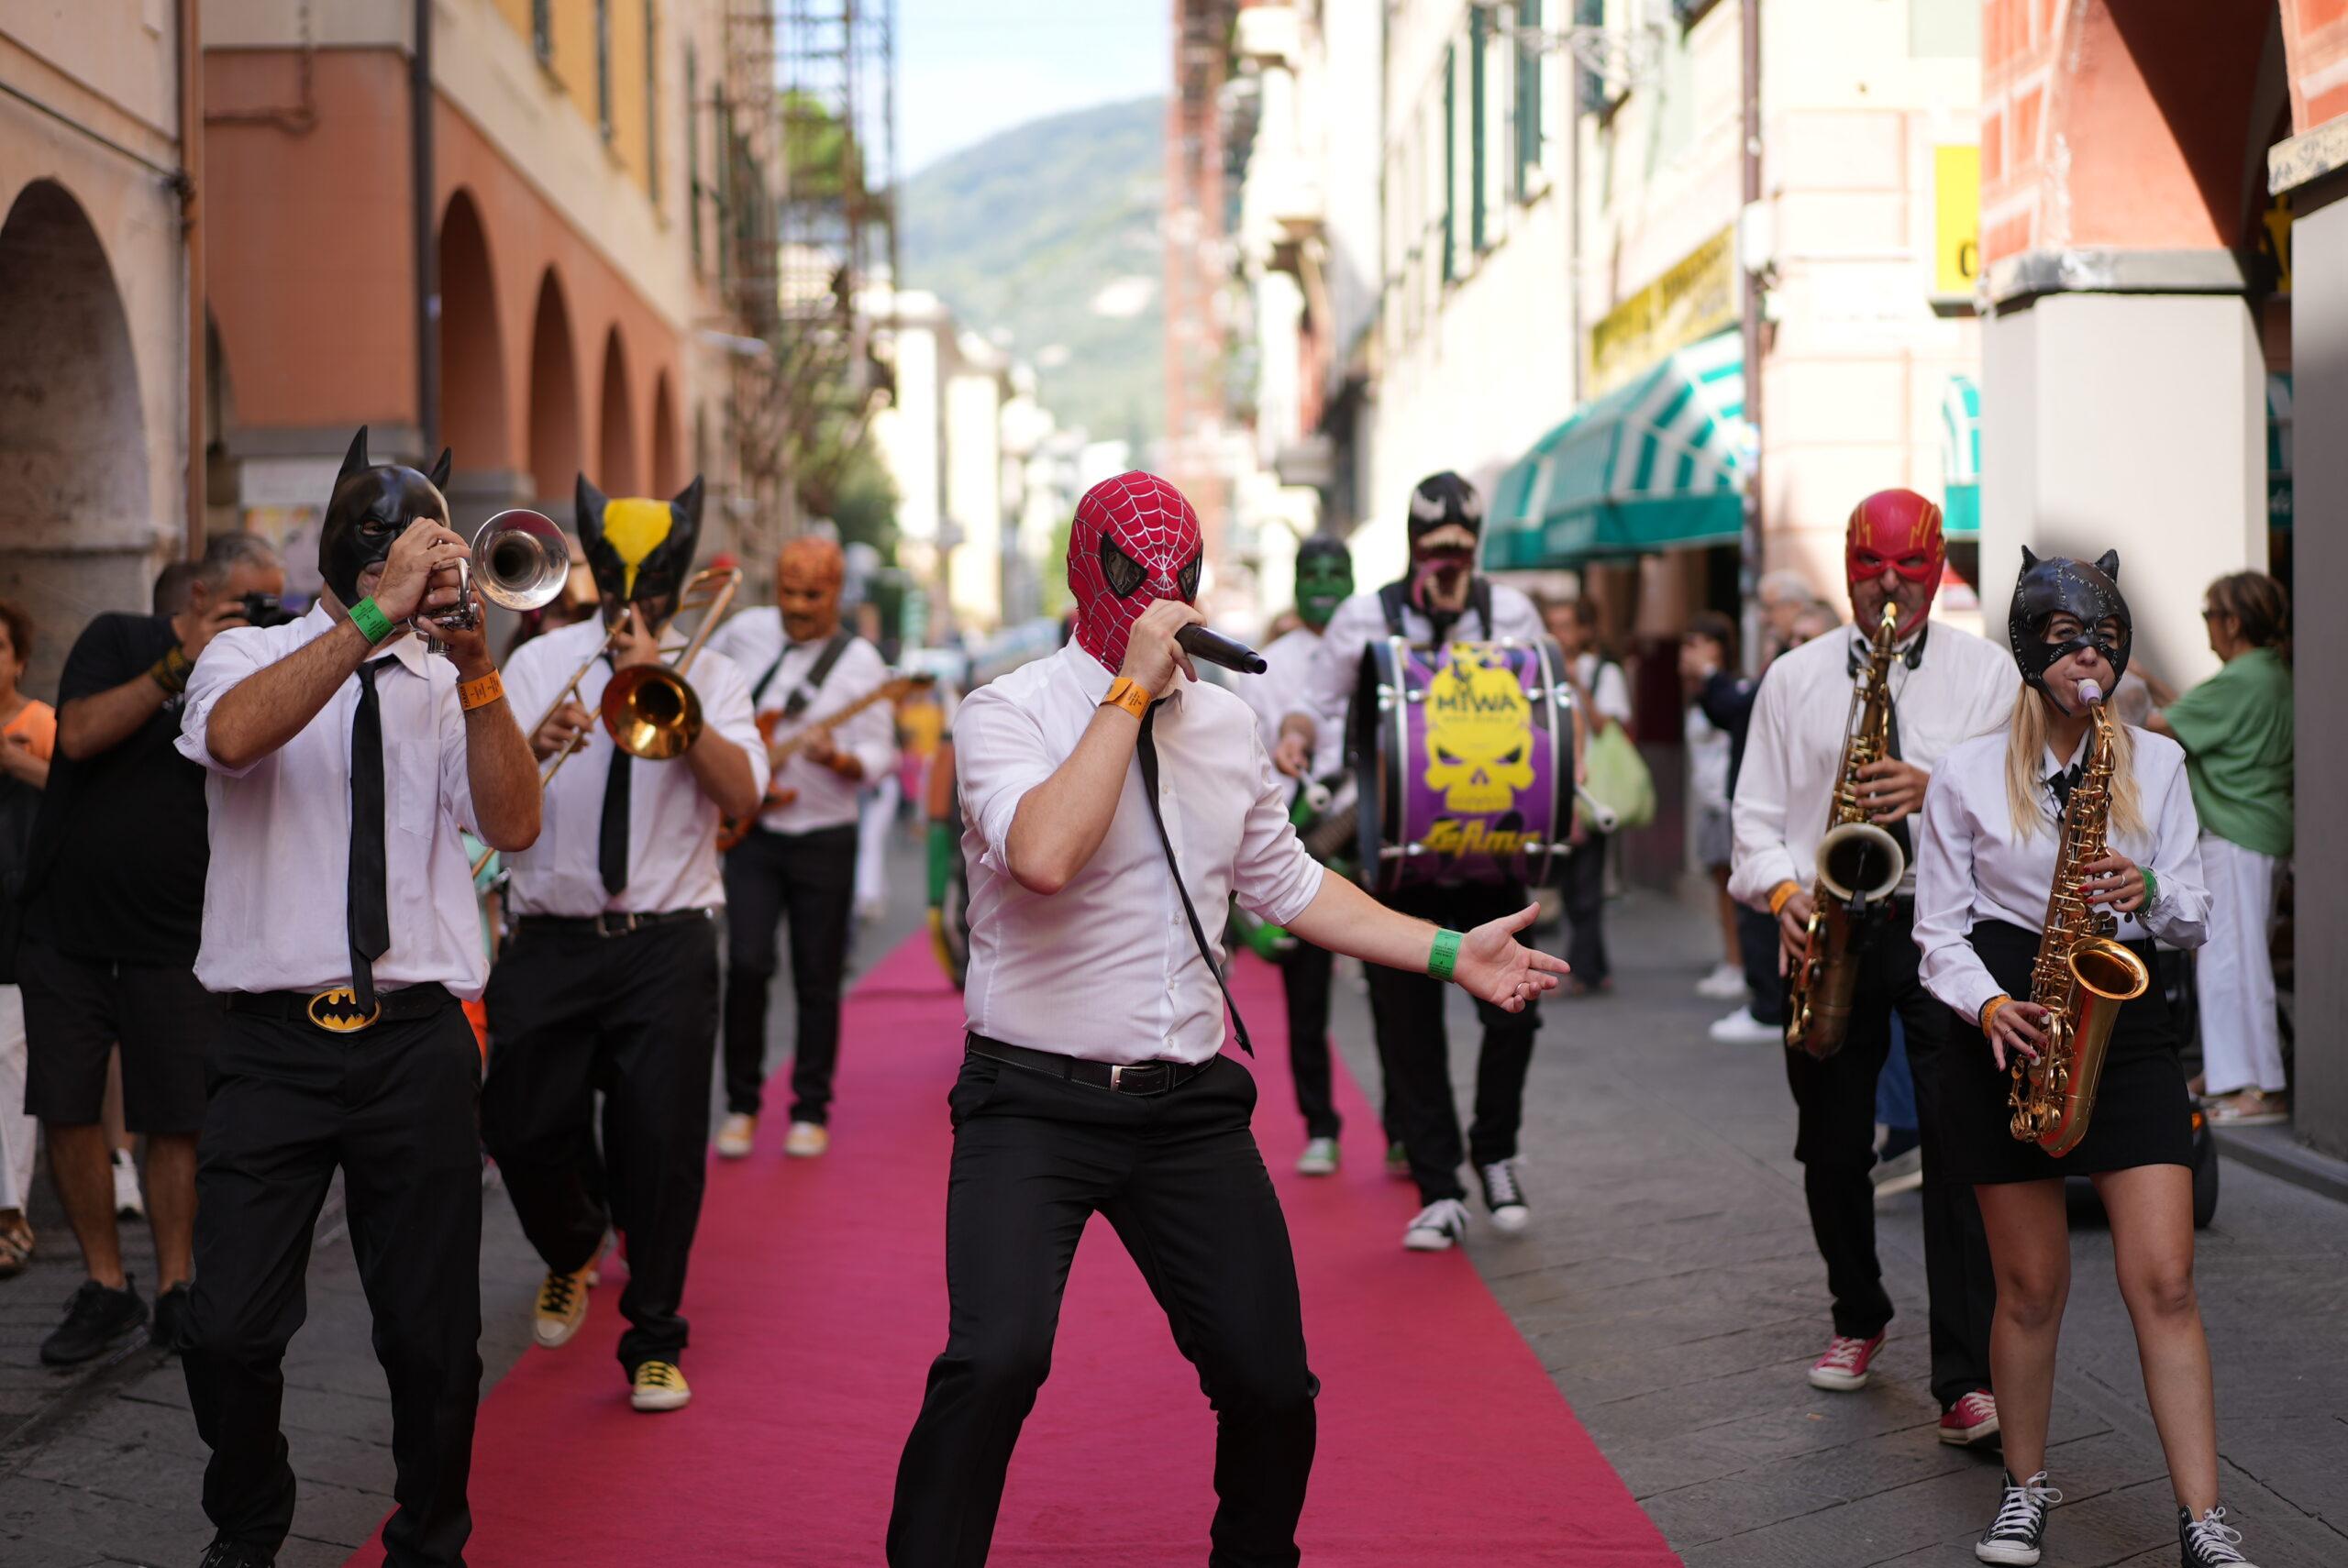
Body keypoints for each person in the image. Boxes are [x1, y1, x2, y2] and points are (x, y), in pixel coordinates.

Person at [885, 471, 1568, 1567]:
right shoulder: (1006, 710)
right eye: (1133, 572)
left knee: (1269, 1384)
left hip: (1186, 1109)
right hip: (1032, 1099)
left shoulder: (1228, 727)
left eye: (1179, 574)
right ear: (1086, 573)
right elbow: (1045, 856)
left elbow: (1291, 885)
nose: (1159, 593)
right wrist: (1128, 696)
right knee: (996, 1361)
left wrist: (1451, 953)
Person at [174, 428, 538, 1568]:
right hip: (271, 1047)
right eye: (374, 535)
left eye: (411, 539)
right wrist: (372, 622)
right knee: (225, 1327)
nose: (392, 555)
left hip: (414, 1044)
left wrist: (478, 667)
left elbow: (514, 825)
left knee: (433, 1340)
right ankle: (251, 1519)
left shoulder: (449, 684)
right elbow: (234, 740)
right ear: (334, 544)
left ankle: (431, 1537)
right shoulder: (245, 658)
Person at [1913, 548, 2260, 1568]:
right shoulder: (1971, 772)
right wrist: (1987, 1010)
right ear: (2031, 653)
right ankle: (2024, 1490)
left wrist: (2143, 888)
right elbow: (1937, 933)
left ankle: (2203, 1520)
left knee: (2165, 1282)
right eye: (2069, 642)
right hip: (2010, 1018)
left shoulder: (2155, 762)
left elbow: (2193, 917)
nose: (2091, 660)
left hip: (2125, 1015)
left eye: (2104, 641)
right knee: (2027, 1289)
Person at [1728, 489, 2010, 1443]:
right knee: (1832, 1148)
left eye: (1911, 570)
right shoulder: (1793, 677)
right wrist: (1780, 894)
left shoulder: (1987, 676)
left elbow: (2017, 817)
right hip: (1829, 928)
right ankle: (1859, 1314)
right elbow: (1754, 821)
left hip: (1941, 930)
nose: (1889, 588)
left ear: (1939, 569)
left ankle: (1964, 1378)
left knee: (1956, 1147)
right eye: (1868, 570)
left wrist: (1939, 789)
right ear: (1844, 565)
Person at [482, 474, 762, 1414]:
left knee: (662, 1144)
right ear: (595, 579)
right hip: (549, 938)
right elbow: (486, 809)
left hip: (665, 942)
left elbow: (743, 801)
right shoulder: (536, 664)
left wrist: (672, 693)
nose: (634, 611)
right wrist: (530, 740)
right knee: (519, 1122)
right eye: (621, 592)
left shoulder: (713, 673)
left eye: (651, 594)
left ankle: (655, 1333)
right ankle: (573, 1243)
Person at [14, 535, 285, 1361]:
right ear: (200, 597)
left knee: (179, 1115)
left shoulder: (256, 665)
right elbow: (80, 734)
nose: (268, 615)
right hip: (69, 930)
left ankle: (174, 1286)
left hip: (181, 932)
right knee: (65, 1104)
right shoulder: (118, 637)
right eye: (253, 600)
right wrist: (179, 662)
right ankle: (105, 1284)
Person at [1274, 472, 1558, 1246]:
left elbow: (1547, 711)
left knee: (1515, 1007)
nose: (1448, 565)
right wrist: (1298, 732)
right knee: (1408, 1022)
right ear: (1411, 544)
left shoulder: (1510, 613)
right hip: (1396, 851)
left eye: (1462, 551)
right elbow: (1322, 700)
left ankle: (1494, 1150)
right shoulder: (1367, 615)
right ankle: (1438, 1186)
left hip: (1490, 842)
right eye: (1434, 550)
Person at [706, 536, 894, 1161]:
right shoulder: (746, 632)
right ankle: (740, 1103)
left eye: (812, 595)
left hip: (824, 835)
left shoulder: (861, 663)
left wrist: (838, 757)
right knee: (748, 966)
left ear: (836, 594)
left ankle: (810, 1107)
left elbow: (880, 754)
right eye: (788, 591)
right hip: (753, 833)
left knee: (817, 976)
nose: (797, 605)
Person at [2141, 573, 2292, 1128]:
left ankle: (2259, 1085)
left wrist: (2129, 687)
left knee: (2235, 963)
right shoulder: (2269, 674)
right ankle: (2231, 1075)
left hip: (2237, 833)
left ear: (2232, 622)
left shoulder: (2240, 679)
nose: (2206, 624)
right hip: (2262, 830)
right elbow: (2194, 715)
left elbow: (2161, 725)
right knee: (2232, 959)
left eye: (2209, 614)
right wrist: (2152, 679)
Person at [1236, 532, 1356, 1176]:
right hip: (1300, 838)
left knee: (1398, 991)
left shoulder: (1378, 652)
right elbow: (1250, 758)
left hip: (1369, 833)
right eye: (1314, 571)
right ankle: (1320, 1124)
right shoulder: (1266, 663)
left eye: (1339, 572)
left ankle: (1404, 1129)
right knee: (1305, 1001)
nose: (1325, 584)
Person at [0, 599, 57, 1279]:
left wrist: (13, 763)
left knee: (12, 1065)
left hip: (19, 924)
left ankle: (10, 1214)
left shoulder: (40, 724)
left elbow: (75, 794)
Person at [1545, 594, 1634, 996]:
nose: (1559, 634)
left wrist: (1576, 683)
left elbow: (1605, 727)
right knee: (1572, 884)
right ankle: (1596, 968)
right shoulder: (1542, 671)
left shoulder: (1605, 674)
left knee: (1586, 886)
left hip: (1595, 790)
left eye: (1567, 625)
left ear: (1585, 630)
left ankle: (1583, 972)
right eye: (1553, 625)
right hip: (1559, 791)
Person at [1681, 611, 1744, 1000]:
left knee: (1732, 888)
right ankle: (1731, 959)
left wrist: (1706, 675)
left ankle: (1738, 964)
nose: (1691, 652)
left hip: (1727, 803)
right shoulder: (1701, 692)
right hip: (1710, 804)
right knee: (1720, 886)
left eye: (1699, 643)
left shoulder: (1729, 690)